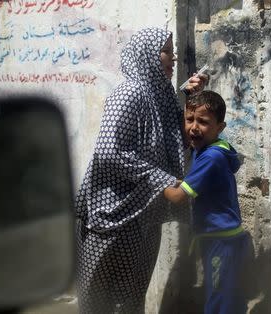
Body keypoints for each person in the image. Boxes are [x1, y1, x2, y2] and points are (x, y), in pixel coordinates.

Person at [74, 27, 207, 314]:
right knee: (96, 299)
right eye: (167, 52)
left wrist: (191, 98)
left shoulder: (161, 95)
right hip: (111, 216)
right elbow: (109, 151)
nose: (172, 58)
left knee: (132, 297)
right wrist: (164, 179)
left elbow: (176, 136)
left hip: (144, 215)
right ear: (147, 55)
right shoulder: (129, 93)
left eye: (172, 52)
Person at [163, 91, 254, 314]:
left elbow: (177, 197)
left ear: (220, 128)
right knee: (229, 297)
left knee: (219, 301)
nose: (194, 127)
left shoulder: (210, 158)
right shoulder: (210, 148)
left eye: (203, 122)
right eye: (189, 119)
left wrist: (154, 178)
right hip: (224, 238)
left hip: (219, 241)